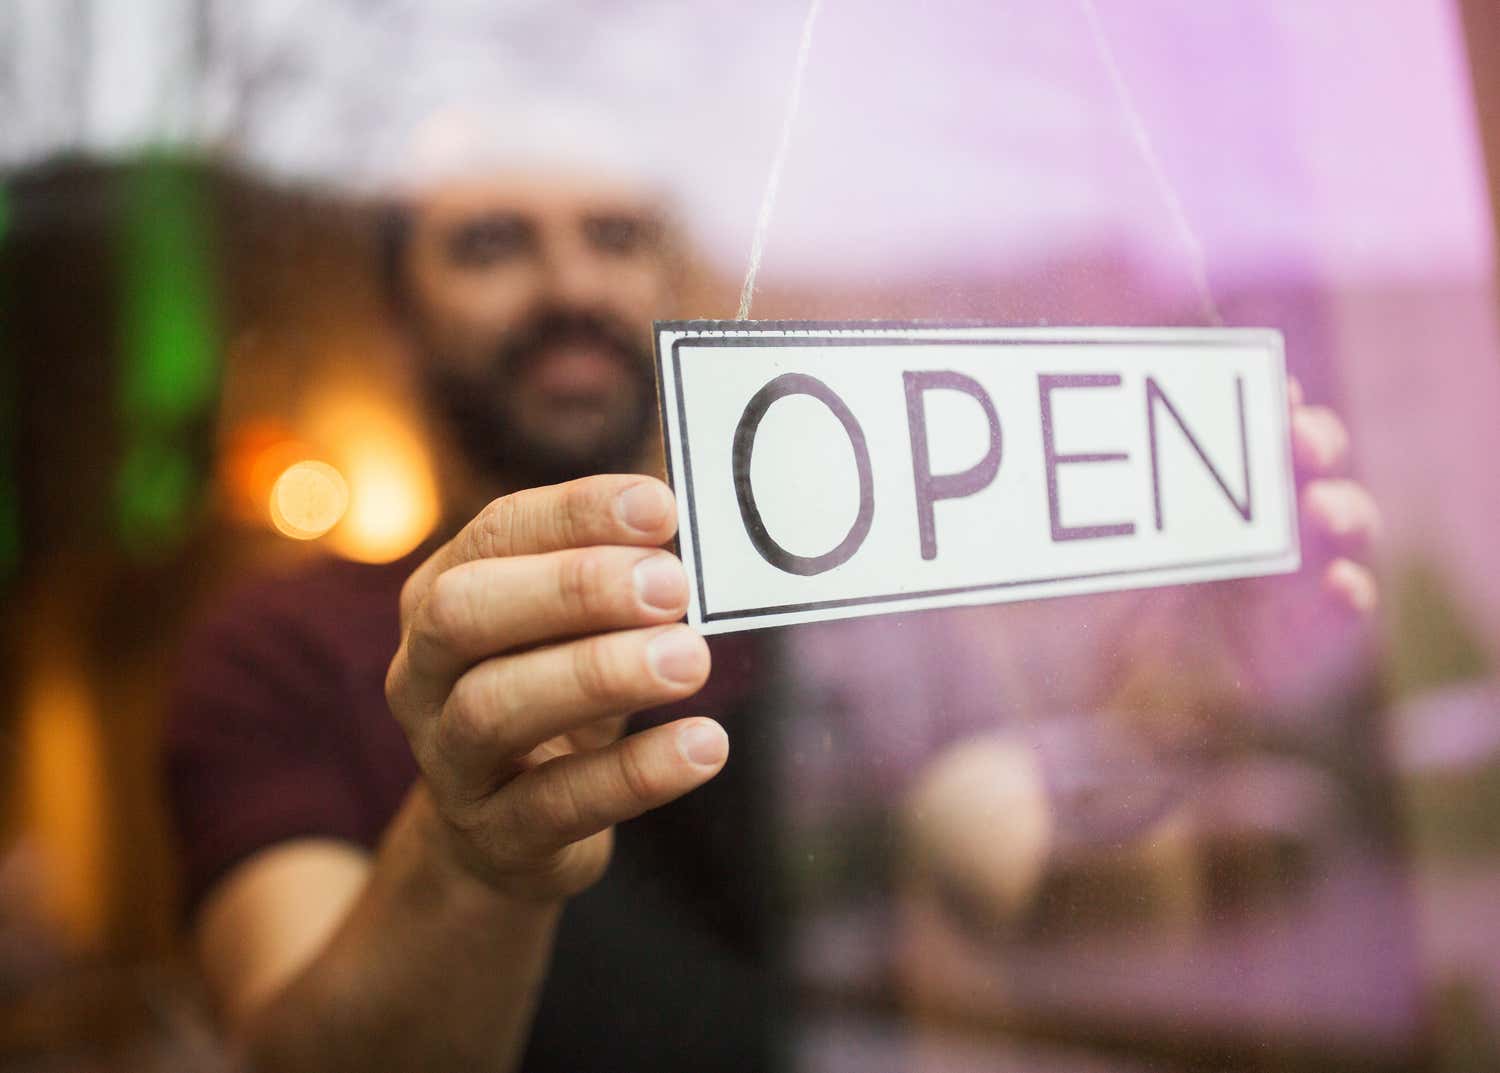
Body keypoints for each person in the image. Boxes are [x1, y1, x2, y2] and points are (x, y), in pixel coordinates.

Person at [166, 166, 1380, 1072]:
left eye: (616, 233)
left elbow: (1008, 877)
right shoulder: (278, 653)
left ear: (675, 281)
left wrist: (1193, 687)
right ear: (400, 318)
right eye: (491, 244)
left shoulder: (831, 587)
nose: (572, 283)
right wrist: (478, 846)